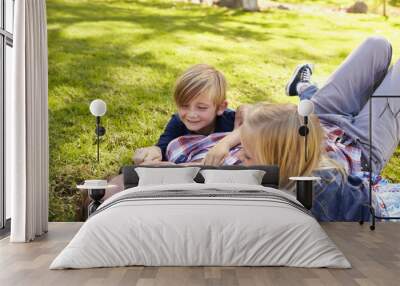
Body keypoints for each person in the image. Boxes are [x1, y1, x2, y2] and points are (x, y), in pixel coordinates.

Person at [224, 36, 399, 221]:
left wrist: (226, 142)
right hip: (360, 146)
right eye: (247, 154)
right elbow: (366, 208)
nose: (238, 156)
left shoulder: (246, 167)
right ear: (282, 160)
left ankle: (303, 86)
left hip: (319, 118)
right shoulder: (320, 189)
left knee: (377, 45)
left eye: (245, 151)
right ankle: (305, 87)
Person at [133, 64, 240, 165]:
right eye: (184, 106)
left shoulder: (230, 119)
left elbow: (252, 127)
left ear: (220, 107)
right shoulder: (178, 122)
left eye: (201, 107)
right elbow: (161, 147)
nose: (191, 114)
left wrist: (224, 144)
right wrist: (152, 152)